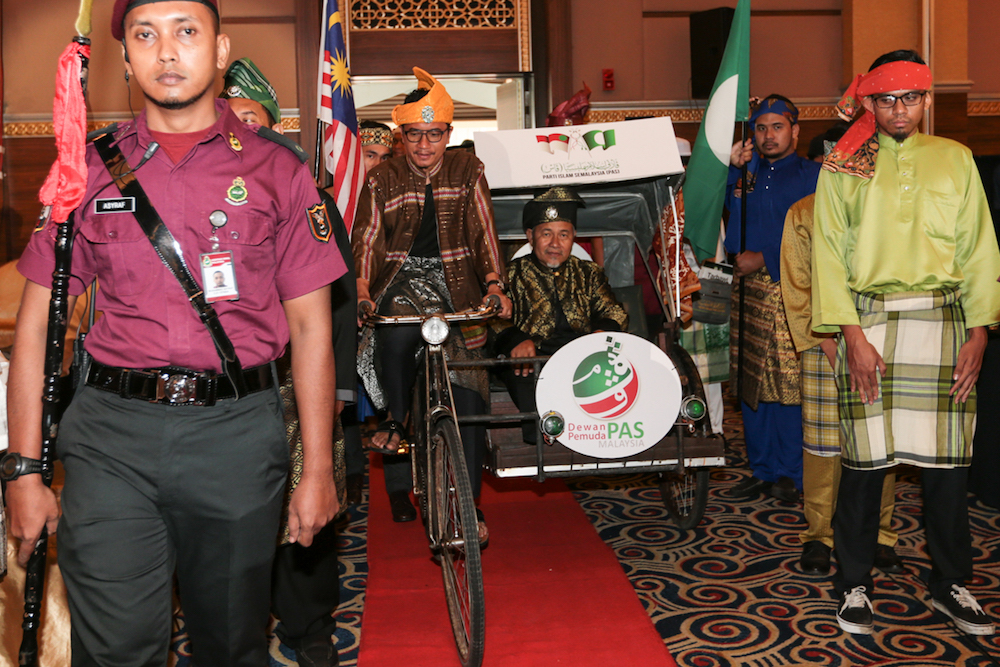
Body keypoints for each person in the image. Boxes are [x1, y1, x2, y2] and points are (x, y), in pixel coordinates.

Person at [5, 2, 345, 664]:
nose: (166, 51)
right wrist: (22, 469)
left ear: (220, 52)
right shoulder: (84, 173)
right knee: (116, 650)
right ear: (125, 58)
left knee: (228, 641)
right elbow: (36, 328)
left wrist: (321, 467)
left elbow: (311, 330)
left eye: (186, 32)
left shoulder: (278, 171)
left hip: (236, 436)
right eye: (145, 35)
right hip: (110, 441)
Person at [812, 49, 1000, 636]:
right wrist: (851, 335)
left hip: (944, 325)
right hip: (869, 325)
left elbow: (978, 249)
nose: (901, 109)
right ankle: (854, 583)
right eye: (888, 98)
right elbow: (828, 255)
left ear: (926, 99)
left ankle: (950, 583)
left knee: (948, 466)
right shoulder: (842, 165)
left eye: (912, 97)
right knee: (866, 464)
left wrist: (980, 332)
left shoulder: (956, 158)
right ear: (868, 100)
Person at [220, 59, 355, 666]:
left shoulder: (303, 192)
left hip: (294, 389)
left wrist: (341, 388)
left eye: (253, 119)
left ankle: (310, 629)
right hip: (223, 395)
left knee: (308, 512)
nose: (239, 129)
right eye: (231, 116)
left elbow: (337, 310)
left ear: (272, 127)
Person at [352, 67, 511, 532]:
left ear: (449, 133)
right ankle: (397, 424)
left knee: (470, 401)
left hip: (457, 286)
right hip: (399, 282)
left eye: (434, 134)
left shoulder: (468, 169)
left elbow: (483, 230)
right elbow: (367, 240)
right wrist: (362, 290)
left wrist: (495, 283)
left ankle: (470, 501)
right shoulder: (383, 176)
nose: (424, 145)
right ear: (403, 136)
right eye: (415, 135)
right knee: (396, 338)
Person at [780, 192, 902, 577]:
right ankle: (819, 535)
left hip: (882, 339)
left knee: (881, 440)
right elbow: (797, 286)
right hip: (822, 342)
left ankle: (881, 533)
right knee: (821, 444)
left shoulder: (891, 201)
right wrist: (831, 347)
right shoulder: (804, 210)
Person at [725, 95, 821, 503]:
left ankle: (793, 473)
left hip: (792, 292)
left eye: (777, 127)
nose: (768, 136)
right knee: (752, 383)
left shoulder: (814, 176)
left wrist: (764, 257)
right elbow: (723, 214)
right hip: (747, 292)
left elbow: (821, 234)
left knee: (789, 387)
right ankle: (762, 469)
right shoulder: (746, 172)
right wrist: (731, 170)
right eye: (761, 128)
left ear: (795, 131)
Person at [493, 187, 628, 443]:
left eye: (563, 234)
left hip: (582, 358)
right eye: (547, 234)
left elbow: (614, 311)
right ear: (530, 237)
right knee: (523, 374)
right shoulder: (510, 274)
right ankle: (545, 441)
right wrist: (514, 339)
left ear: (574, 237)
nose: (555, 244)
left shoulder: (588, 273)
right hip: (530, 362)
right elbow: (492, 319)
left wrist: (602, 332)